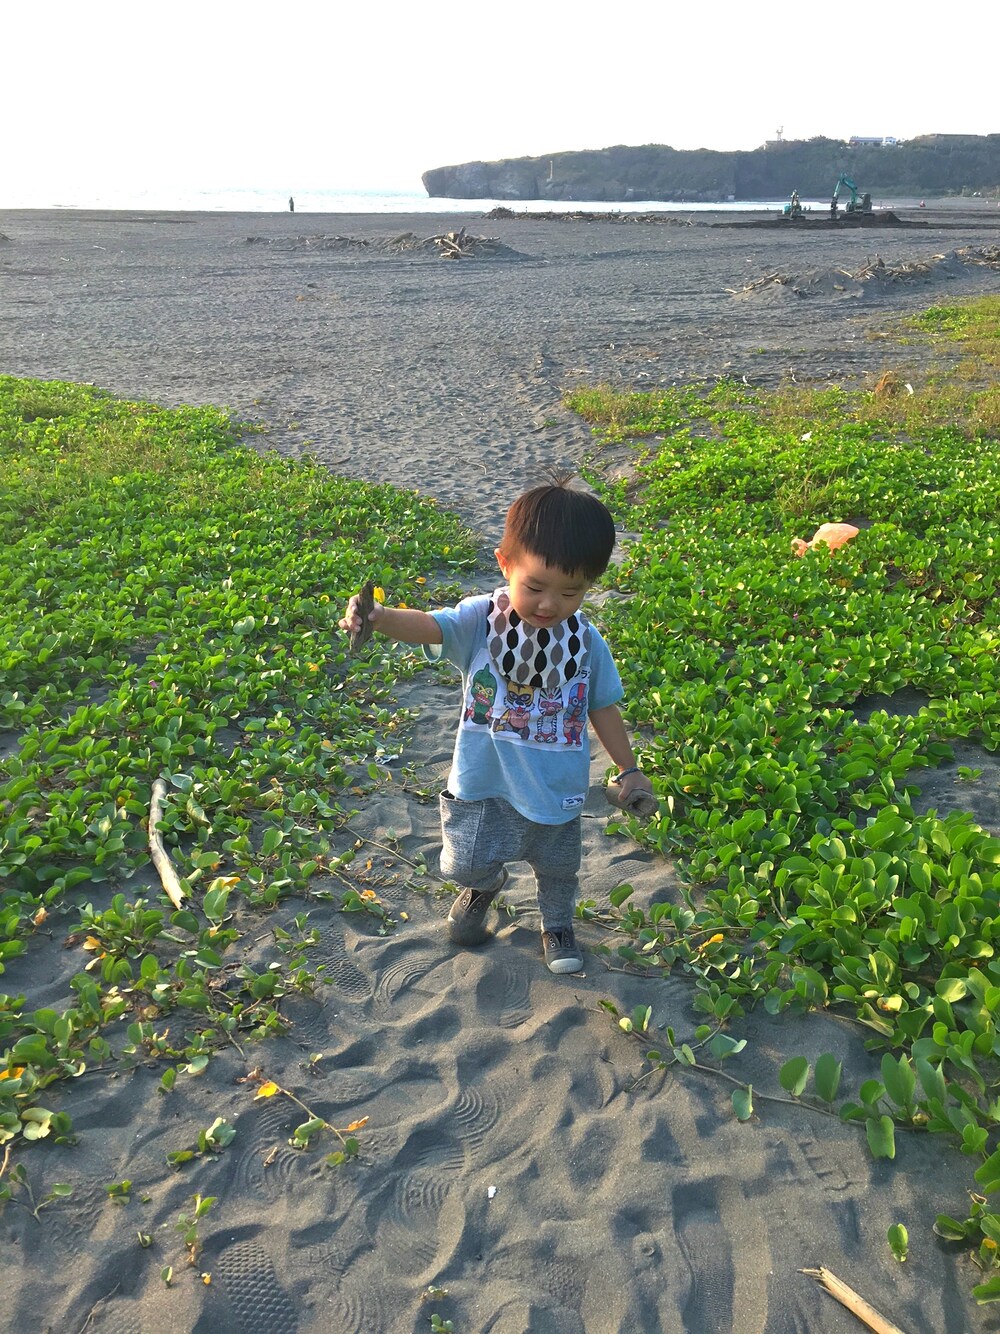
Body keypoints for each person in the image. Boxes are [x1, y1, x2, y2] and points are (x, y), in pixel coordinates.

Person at [339, 475, 654, 974]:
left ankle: (557, 926)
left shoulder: (587, 642)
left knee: (558, 869)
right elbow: (430, 625)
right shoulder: (480, 621)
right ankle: (482, 887)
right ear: (505, 564)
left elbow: (602, 708)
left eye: (571, 592)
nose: (549, 605)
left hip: (554, 785)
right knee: (465, 860)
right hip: (485, 783)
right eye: (535, 587)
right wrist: (379, 617)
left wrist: (629, 769)